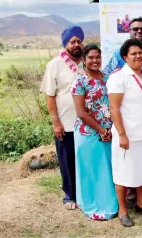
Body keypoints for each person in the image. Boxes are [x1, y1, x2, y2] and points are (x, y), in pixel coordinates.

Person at [107, 39, 142, 227]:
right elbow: (114, 109)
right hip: (128, 136)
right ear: (125, 57)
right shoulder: (118, 78)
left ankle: (141, 203)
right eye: (133, 53)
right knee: (123, 172)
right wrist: (122, 135)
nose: (138, 56)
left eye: (140, 52)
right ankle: (122, 211)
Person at [71, 44, 118, 220]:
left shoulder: (108, 79)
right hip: (88, 133)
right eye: (90, 57)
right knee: (90, 169)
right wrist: (101, 130)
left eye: (97, 57)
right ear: (84, 59)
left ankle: (110, 203)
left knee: (106, 169)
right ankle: (91, 204)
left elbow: (114, 104)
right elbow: (81, 112)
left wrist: (110, 129)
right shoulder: (79, 81)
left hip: (109, 132)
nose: (95, 60)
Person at [40, 25, 85, 210]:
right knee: (67, 160)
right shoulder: (55, 65)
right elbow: (50, 95)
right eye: (72, 41)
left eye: (79, 41)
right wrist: (55, 121)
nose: (76, 45)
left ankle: (84, 193)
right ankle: (70, 195)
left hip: (87, 123)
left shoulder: (89, 61)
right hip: (65, 123)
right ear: (65, 44)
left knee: (85, 159)